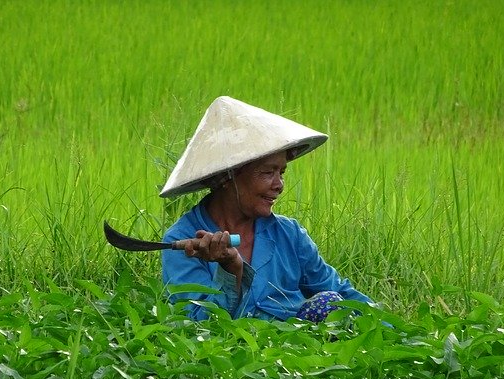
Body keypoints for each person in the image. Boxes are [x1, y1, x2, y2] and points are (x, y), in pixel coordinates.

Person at [159, 96, 375, 322]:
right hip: (235, 354)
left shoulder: (289, 235)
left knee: (328, 302)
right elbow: (199, 324)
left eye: (281, 173)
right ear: (227, 177)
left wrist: (395, 331)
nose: (279, 185)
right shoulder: (183, 241)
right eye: (267, 173)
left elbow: (342, 294)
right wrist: (231, 271)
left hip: (297, 351)